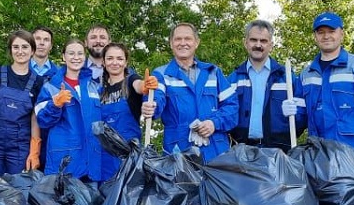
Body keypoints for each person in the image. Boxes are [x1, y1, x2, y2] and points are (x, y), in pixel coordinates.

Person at [289, 11, 354, 167]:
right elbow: (300, 119)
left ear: (342, 34)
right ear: (315, 36)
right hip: (318, 157)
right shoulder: (306, 74)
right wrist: (290, 113)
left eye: (331, 31)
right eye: (321, 32)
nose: (326, 36)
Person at [145, 22, 238, 161]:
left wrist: (214, 123)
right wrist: (150, 107)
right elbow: (156, 99)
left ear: (196, 42)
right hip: (179, 152)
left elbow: (232, 107)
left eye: (187, 39)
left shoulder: (213, 72)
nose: (183, 43)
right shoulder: (161, 74)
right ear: (171, 43)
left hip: (215, 152)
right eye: (178, 39)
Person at [0, 30, 45, 175]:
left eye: (25, 47)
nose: (20, 51)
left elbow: (35, 118)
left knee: (18, 189)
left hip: (19, 146)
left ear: (32, 51)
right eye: (15, 47)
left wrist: (34, 150)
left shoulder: (38, 82)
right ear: (10, 50)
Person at [228, 19, 305, 152]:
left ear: (271, 45)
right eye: (253, 40)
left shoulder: (287, 78)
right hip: (242, 151)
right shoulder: (233, 79)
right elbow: (225, 113)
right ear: (245, 43)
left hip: (279, 151)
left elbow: (303, 115)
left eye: (263, 41)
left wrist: (296, 115)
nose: (258, 45)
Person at [36, 39, 103, 185]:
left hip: (92, 161)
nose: (76, 57)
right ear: (63, 57)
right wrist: (55, 105)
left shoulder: (94, 86)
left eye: (80, 53)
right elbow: (42, 120)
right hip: (65, 160)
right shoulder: (51, 86)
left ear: (84, 57)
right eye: (71, 53)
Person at [98, 42, 149, 180]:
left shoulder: (131, 81)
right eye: (110, 58)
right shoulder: (99, 91)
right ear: (103, 62)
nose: (115, 62)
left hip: (129, 157)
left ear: (126, 62)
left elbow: (139, 85)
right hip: (104, 158)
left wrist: (145, 85)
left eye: (120, 59)